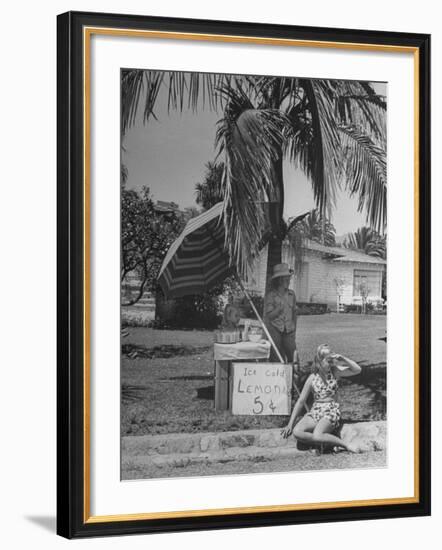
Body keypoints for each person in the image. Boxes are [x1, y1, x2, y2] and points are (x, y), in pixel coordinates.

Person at [281, 344, 362, 453]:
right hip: (316, 411)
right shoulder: (312, 378)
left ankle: (345, 445)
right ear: (319, 360)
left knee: (318, 435)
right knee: (297, 432)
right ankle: (325, 444)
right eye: (327, 360)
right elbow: (301, 401)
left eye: (331, 359)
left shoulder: (335, 372)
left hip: (331, 410)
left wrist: (342, 358)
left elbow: (357, 370)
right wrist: (290, 424)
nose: (330, 362)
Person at [264, 263, 298, 365]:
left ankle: (294, 378)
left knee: (294, 357)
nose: (288, 281)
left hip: (289, 331)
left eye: (288, 278)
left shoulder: (292, 294)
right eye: (286, 279)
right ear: (279, 280)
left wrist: (294, 330)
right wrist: (277, 309)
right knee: (276, 358)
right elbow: (269, 316)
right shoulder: (271, 295)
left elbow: (294, 314)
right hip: (276, 330)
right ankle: (278, 379)